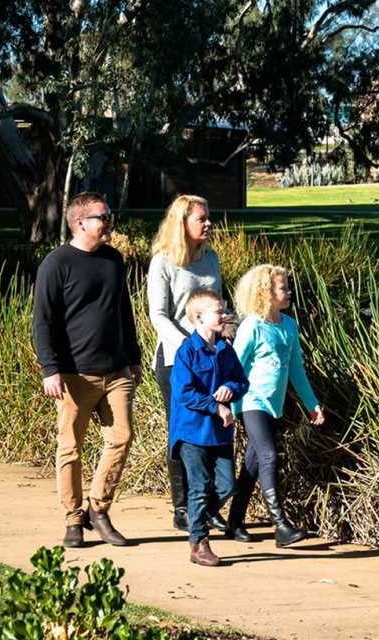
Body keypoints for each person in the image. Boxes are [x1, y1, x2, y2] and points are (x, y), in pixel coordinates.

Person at [32, 191, 142, 549]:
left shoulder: (113, 260)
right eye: (103, 217)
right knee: (70, 448)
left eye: (108, 216)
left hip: (116, 371)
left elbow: (124, 312)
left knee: (121, 438)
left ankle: (99, 509)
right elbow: (43, 322)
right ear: (80, 222)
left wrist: (134, 357)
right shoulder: (56, 263)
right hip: (74, 374)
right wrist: (51, 369)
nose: (109, 222)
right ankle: (73, 517)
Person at [147, 194, 230, 533]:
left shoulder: (211, 259)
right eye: (201, 219)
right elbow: (158, 315)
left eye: (209, 217)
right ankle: (183, 507)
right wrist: (189, 347)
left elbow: (219, 306)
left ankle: (208, 504)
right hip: (176, 360)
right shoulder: (163, 262)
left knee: (214, 430)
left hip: (213, 360)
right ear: (182, 223)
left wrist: (227, 336)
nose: (209, 224)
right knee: (184, 434)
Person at [226, 264, 325, 547]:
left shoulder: (288, 326)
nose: (289, 291)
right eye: (283, 288)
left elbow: (296, 370)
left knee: (253, 465)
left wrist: (312, 404)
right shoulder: (253, 326)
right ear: (265, 293)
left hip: (274, 405)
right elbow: (235, 368)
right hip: (251, 401)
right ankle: (280, 524)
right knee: (270, 456)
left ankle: (234, 522)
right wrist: (232, 408)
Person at [169, 290, 249, 566]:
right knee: (200, 486)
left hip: (220, 433)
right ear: (199, 317)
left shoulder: (227, 350)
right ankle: (199, 543)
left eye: (224, 308)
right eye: (218, 310)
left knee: (227, 485)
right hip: (192, 432)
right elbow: (184, 392)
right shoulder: (186, 352)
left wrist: (230, 388)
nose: (224, 313)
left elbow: (241, 381)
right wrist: (215, 406)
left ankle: (197, 518)